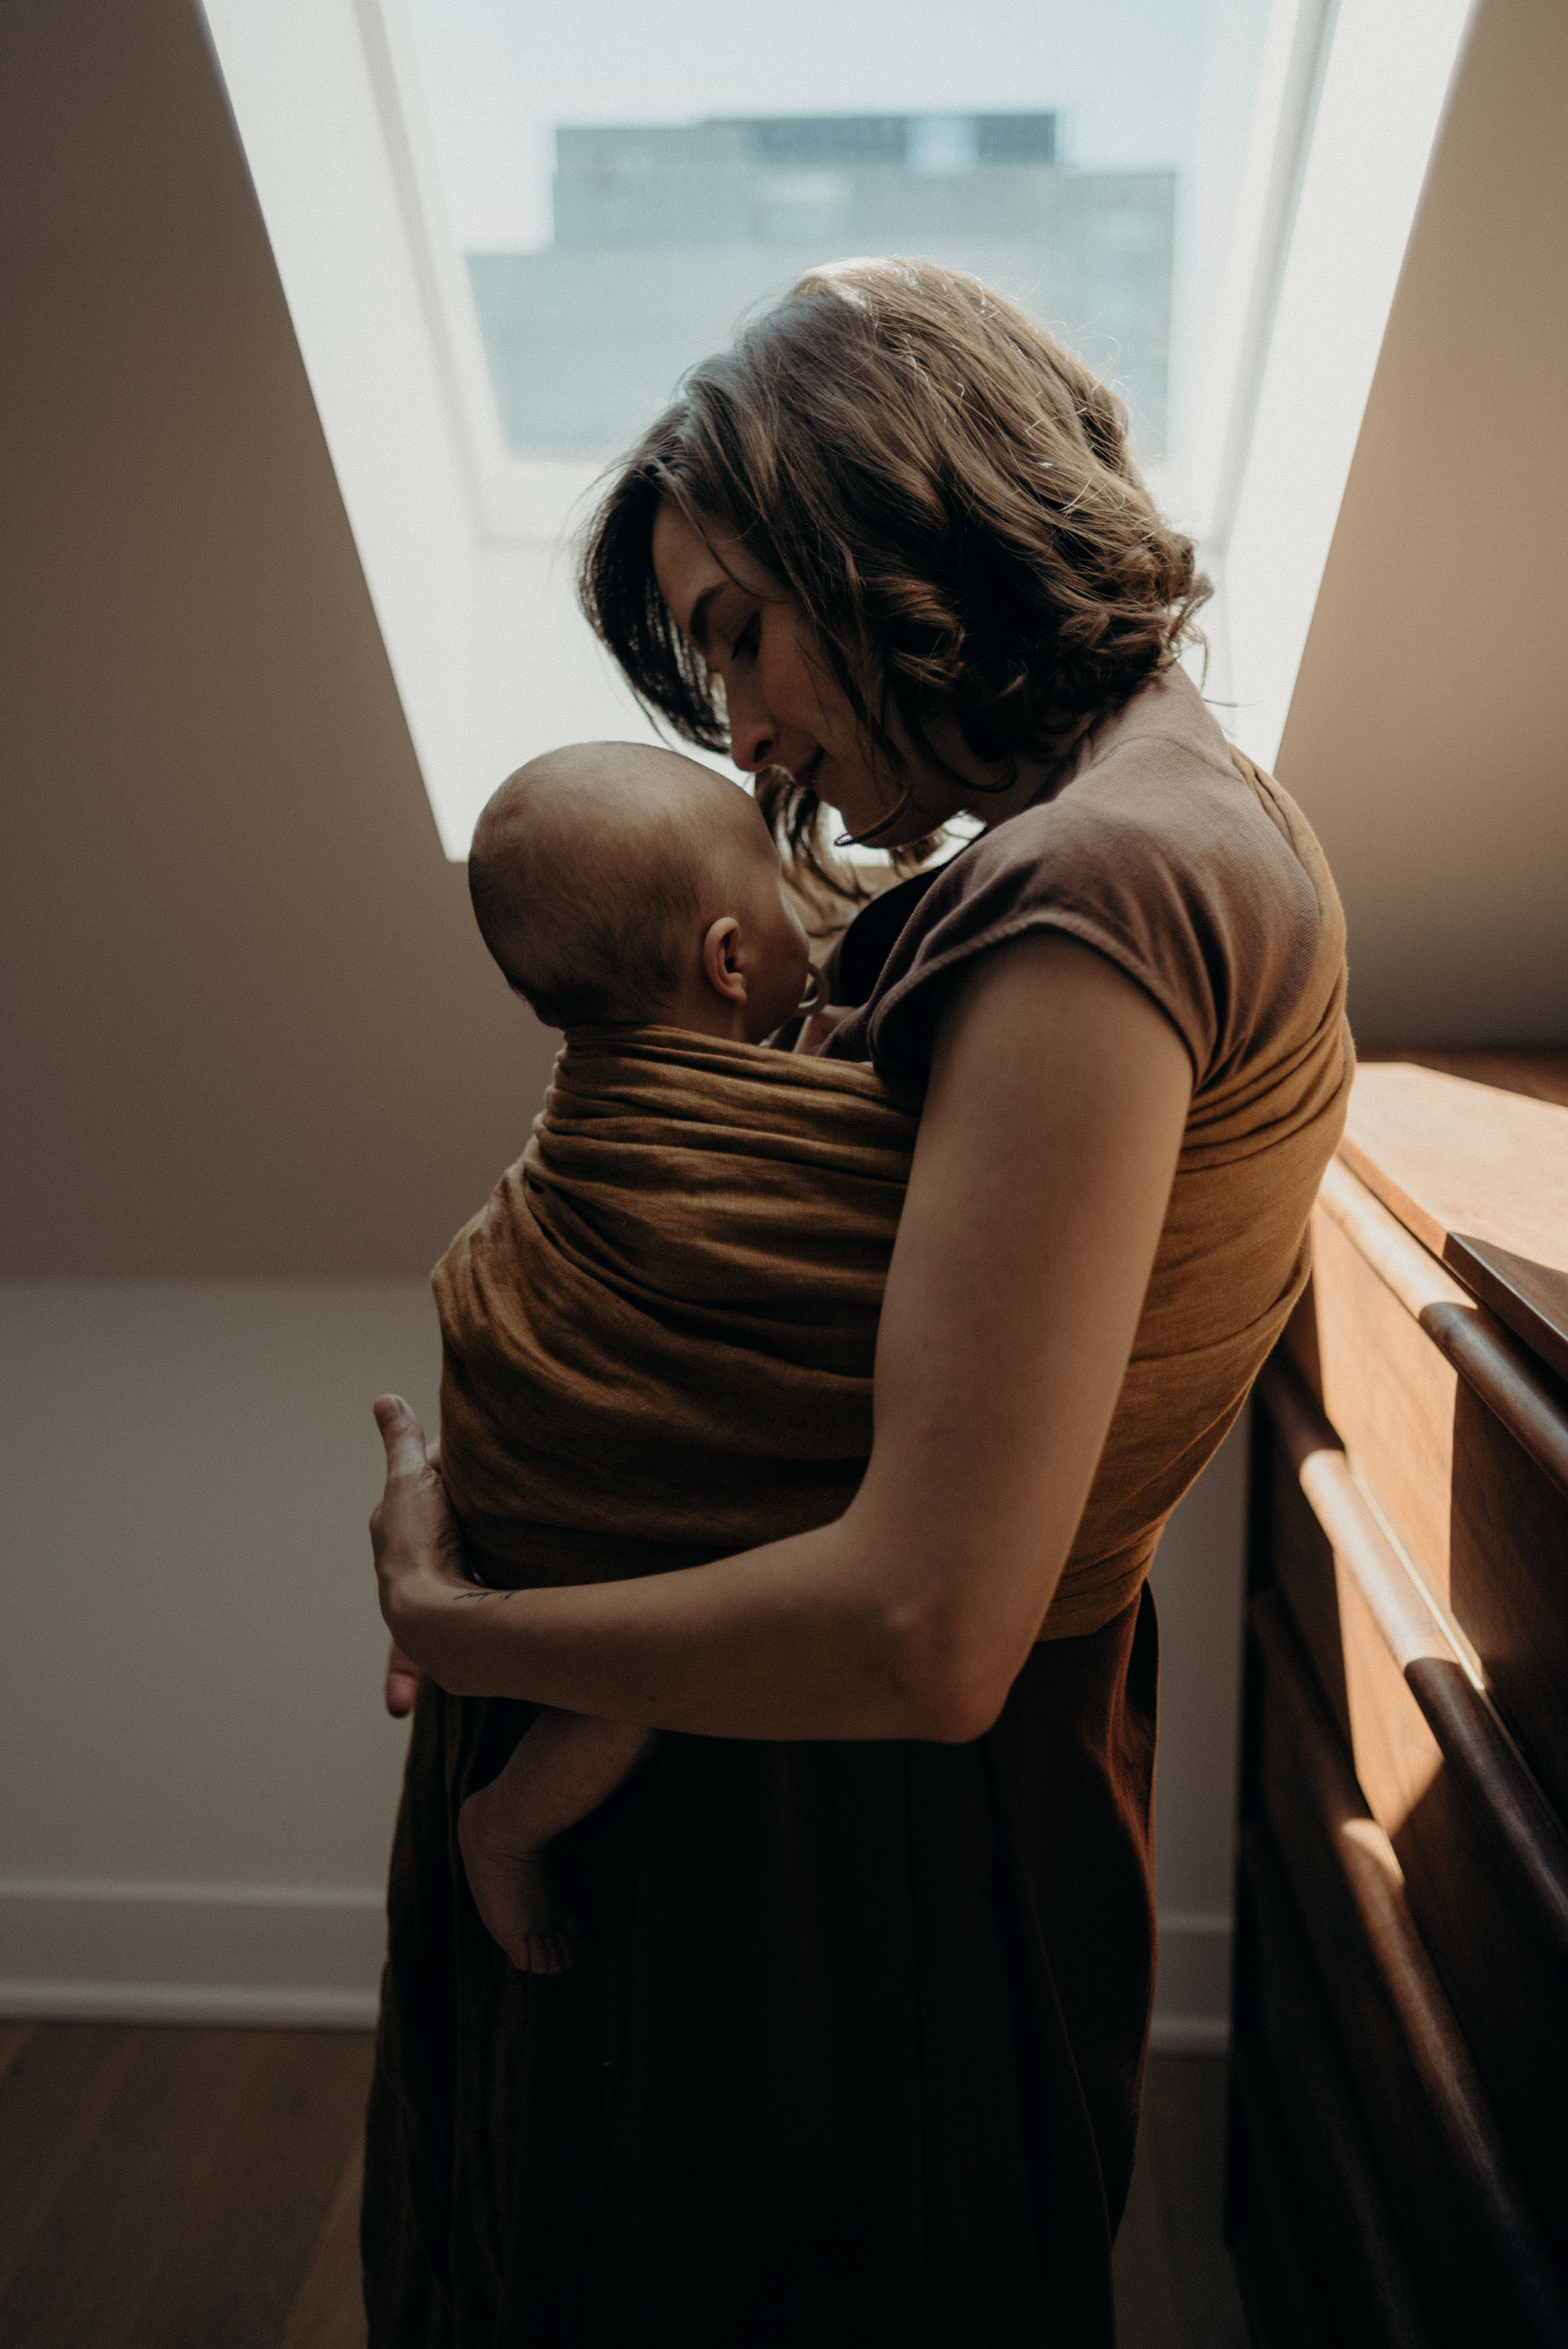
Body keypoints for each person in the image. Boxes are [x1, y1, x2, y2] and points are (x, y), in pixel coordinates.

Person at [362, 259, 1352, 2349]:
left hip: (829, 1847)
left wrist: (471, 1630)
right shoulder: (1164, 817)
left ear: (887, 518)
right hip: (810, 1791)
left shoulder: (1089, 898)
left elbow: (920, 1625)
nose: (739, 731)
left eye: (740, 628)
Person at [432, 737, 888, 1976]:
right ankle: (502, 1829)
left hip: (527, 1485)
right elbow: (880, 1184)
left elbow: (499, 1257)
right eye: (787, 899)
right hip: (613, 1531)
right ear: (731, 959)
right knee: (635, 1683)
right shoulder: (790, 1121)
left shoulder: (596, 1099)